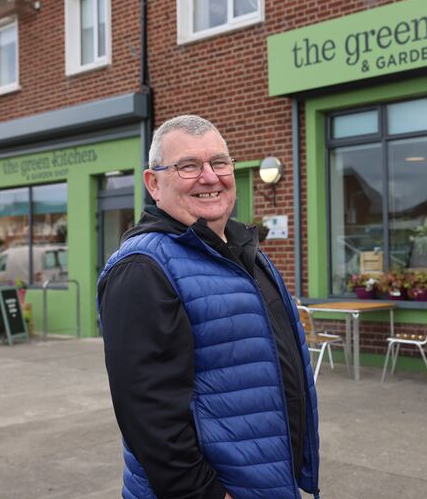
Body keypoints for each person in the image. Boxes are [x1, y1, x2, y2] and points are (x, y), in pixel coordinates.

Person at [97, 115, 320, 499]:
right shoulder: (142, 268)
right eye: (188, 166)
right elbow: (149, 416)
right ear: (154, 183)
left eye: (219, 162)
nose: (210, 177)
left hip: (265, 480)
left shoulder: (242, 252)